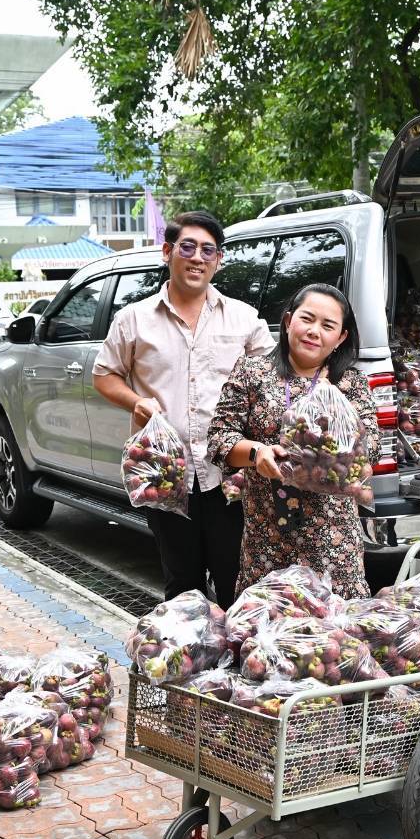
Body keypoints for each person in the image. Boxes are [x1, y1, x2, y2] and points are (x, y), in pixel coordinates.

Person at [94, 211, 274, 607]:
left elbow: (274, 382)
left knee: (237, 582)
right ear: (167, 252)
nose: (197, 258)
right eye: (187, 247)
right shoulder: (134, 319)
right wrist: (137, 401)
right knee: (182, 585)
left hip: (231, 473)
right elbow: (105, 375)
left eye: (208, 250)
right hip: (164, 470)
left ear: (219, 260)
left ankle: (237, 665)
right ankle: (193, 664)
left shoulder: (243, 318)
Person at [207, 284, 380, 597]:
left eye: (328, 326)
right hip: (266, 541)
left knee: (334, 640)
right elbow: (219, 436)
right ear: (288, 321)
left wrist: (331, 456)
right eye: (307, 319)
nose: (315, 331)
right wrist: (256, 452)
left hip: (333, 545)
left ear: (341, 338)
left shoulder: (350, 384)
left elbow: (371, 451)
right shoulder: (252, 372)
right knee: (267, 635)